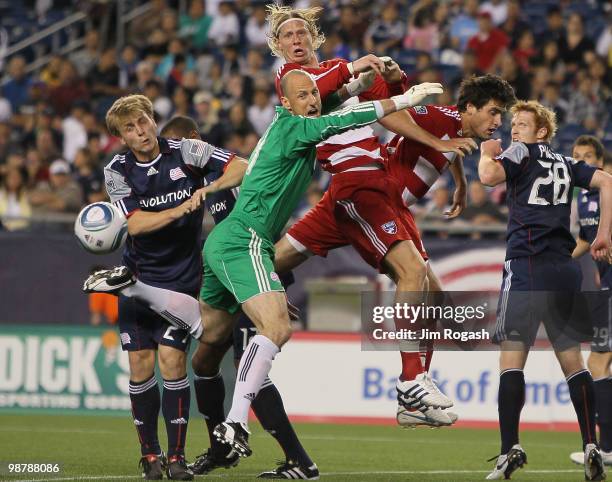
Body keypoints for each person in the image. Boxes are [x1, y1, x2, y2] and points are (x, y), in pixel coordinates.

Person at [198, 70, 443, 458]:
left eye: (314, 92)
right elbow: (346, 118)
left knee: (208, 336)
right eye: (303, 94)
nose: (312, 99)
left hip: (234, 241)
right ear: (285, 103)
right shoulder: (295, 128)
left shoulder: (293, 120)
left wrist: (358, 82)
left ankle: (138, 289)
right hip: (244, 239)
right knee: (277, 328)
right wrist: (405, 99)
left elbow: (333, 103)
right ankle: (236, 422)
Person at [265, 4, 477, 427]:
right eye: (287, 34)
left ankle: (414, 397)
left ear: (314, 37)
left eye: (302, 32)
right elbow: (320, 90)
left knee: (272, 261)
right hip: (354, 186)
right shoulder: (292, 82)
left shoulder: (344, 71)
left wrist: (398, 83)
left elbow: (401, 111)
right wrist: (353, 70)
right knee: (413, 275)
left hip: (361, 188)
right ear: (277, 45)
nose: (296, 39)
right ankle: (411, 380)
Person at [89, 94, 247, 480]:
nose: (140, 131)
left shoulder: (187, 151)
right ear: (121, 137)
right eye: (130, 128)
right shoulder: (116, 170)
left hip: (181, 287)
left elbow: (242, 165)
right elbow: (135, 224)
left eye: (143, 122)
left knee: (173, 363)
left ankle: (176, 458)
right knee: (140, 366)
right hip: (137, 281)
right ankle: (150, 456)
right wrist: (179, 209)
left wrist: (206, 191)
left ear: (152, 120)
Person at [160, 116, 319, 479]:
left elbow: (269, 225)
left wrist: (272, 282)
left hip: (254, 277)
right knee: (202, 364)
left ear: (194, 141)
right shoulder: (203, 184)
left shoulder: (232, 175)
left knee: (254, 371)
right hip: (231, 279)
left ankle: (300, 461)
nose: (171, 156)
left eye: (175, 146)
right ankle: (220, 448)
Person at [478, 101, 612, 481]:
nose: (515, 129)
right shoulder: (565, 164)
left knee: (511, 361)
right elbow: (607, 182)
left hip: (526, 265)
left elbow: (488, 177)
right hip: (564, 268)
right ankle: (591, 444)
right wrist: (602, 234)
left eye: (522, 124)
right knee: (573, 362)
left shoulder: (520, 152)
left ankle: (509, 450)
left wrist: (487, 153)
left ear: (541, 133)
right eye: (514, 124)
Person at [569, 135, 612, 468]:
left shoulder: (607, 191)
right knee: (602, 364)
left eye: (588, 156)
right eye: (576, 156)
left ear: (600, 160)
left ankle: (607, 446)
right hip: (605, 287)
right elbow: (586, 239)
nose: (581, 162)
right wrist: (561, 261)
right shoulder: (582, 199)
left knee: (597, 364)